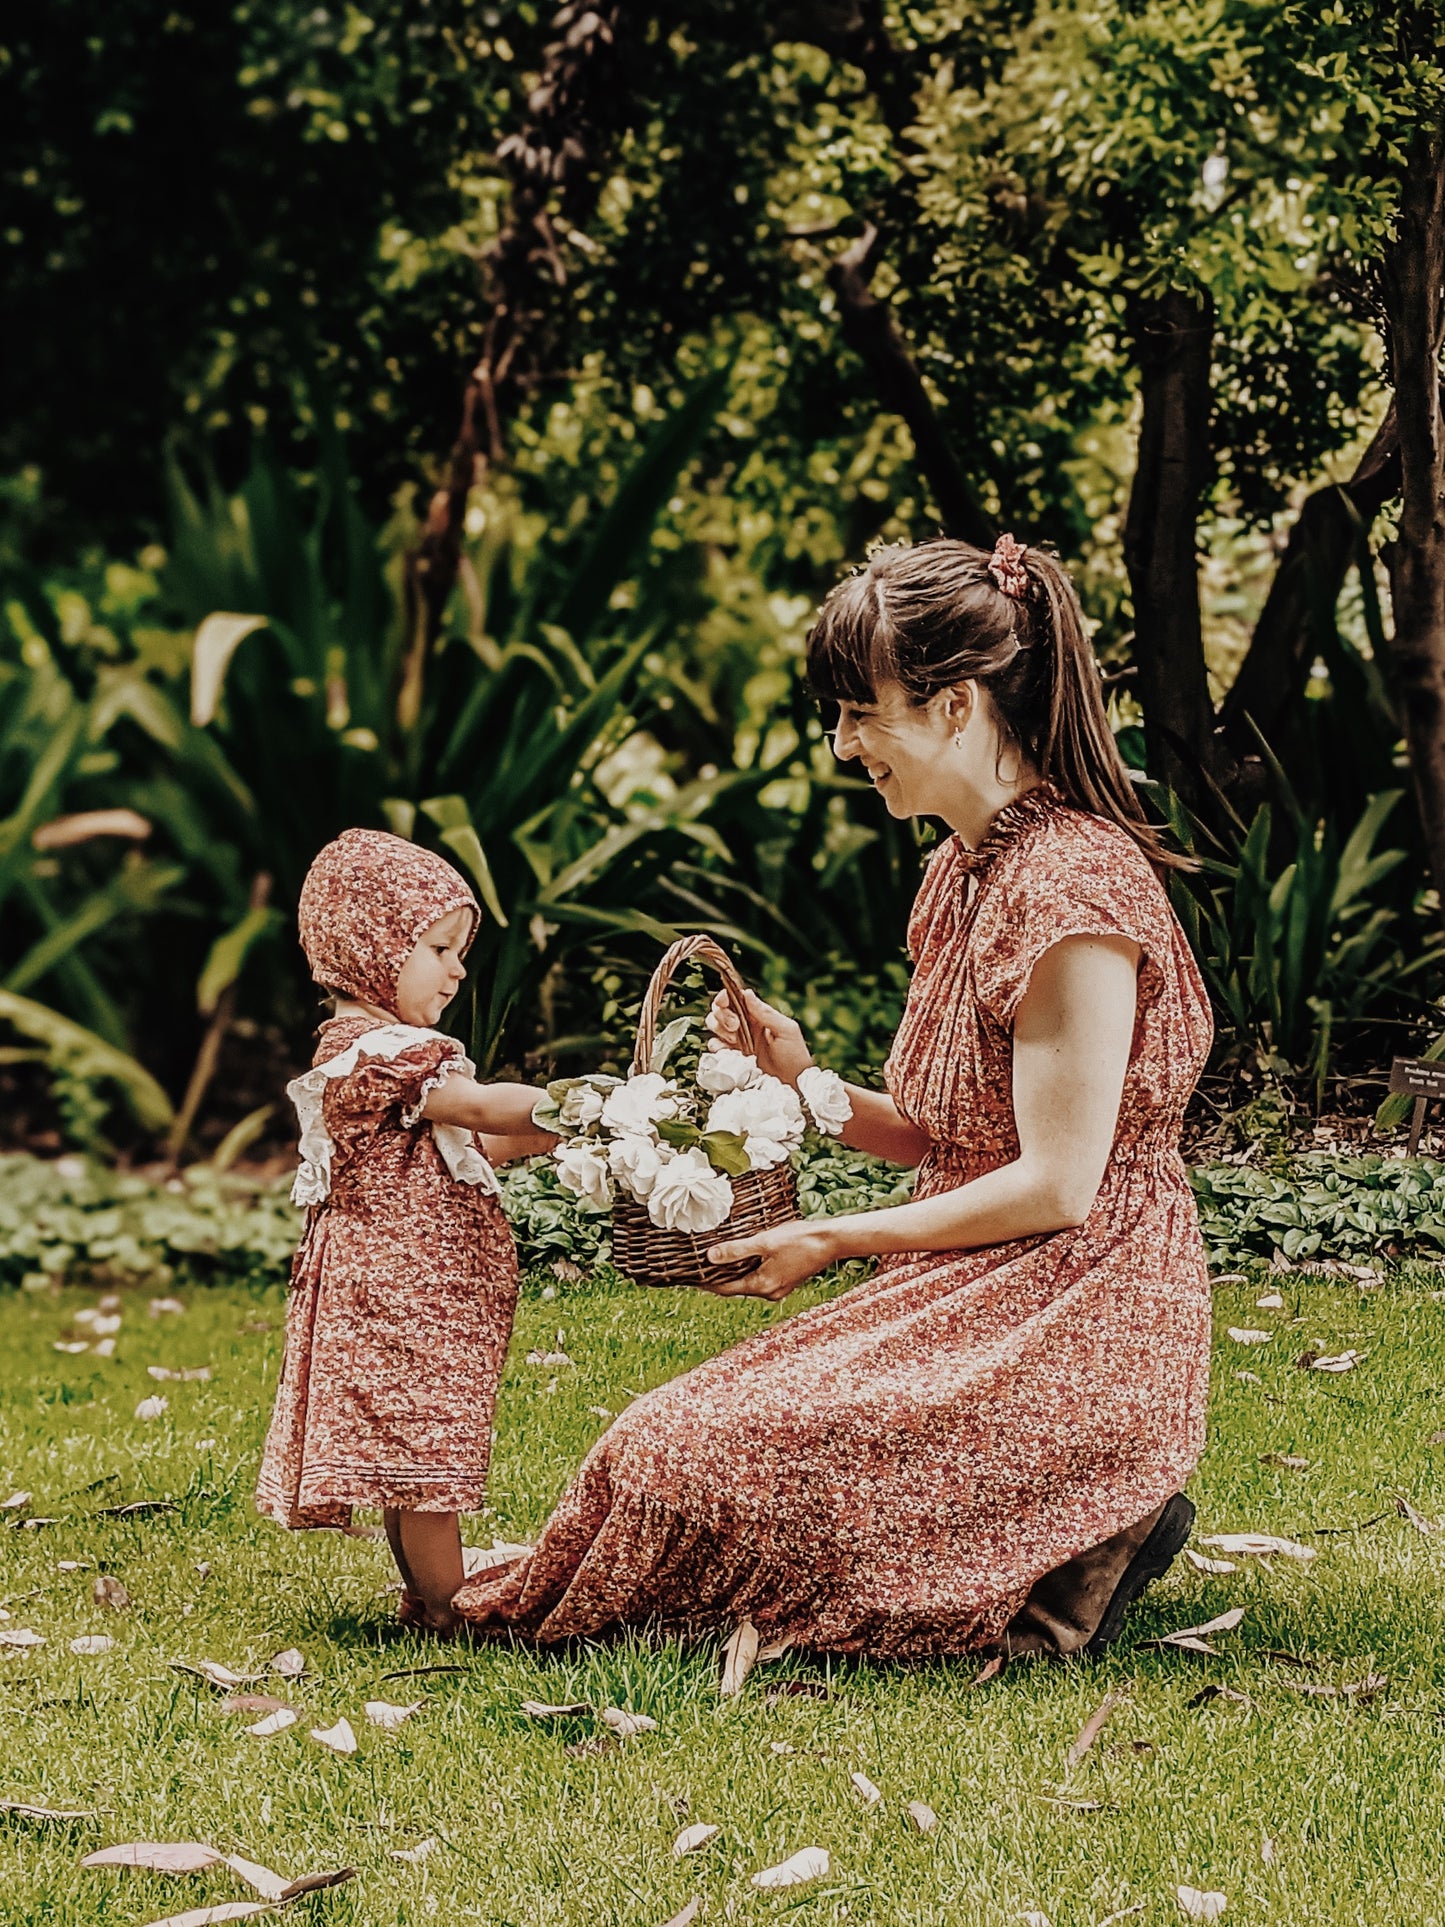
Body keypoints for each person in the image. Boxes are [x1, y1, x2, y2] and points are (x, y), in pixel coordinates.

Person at [452, 534, 1214, 1657]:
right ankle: (1054, 1541)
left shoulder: (1073, 892)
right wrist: (798, 1077)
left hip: (1077, 1308)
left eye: (861, 712)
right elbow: (937, 1135)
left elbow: (1057, 1184)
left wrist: (837, 1236)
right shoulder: (964, 867)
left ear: (954, 706)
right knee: (659, 1445)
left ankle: (1088, 1519)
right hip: (973, 1287)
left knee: (686, 1460)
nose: (842, 742)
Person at [256, 828, 556, 1636]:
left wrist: (572, 1135)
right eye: (438, 947)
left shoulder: (401, 1057)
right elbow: (483, 1107)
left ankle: (431, 1599)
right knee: (426, 1463)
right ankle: (454, 1607)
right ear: (372, 943)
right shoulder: (377, 1052)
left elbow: (483, 1141)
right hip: (400, 1297)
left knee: (416, 1457)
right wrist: (581, 1100)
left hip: (421, 1296)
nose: (458, 968)